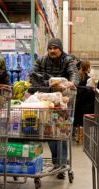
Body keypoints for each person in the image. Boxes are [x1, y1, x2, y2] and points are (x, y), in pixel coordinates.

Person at [28, 38, 80, 179]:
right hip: (46, 102)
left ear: (60, 49)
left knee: (62, 132)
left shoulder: (67, 60)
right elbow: (32, 74)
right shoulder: (42, 60)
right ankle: (56, 163)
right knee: (50, 132)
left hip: (63, 101)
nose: (52, 51)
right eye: (50, 48)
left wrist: (71, 82)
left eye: (55, 48)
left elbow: (74, 74)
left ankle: (62, 165)